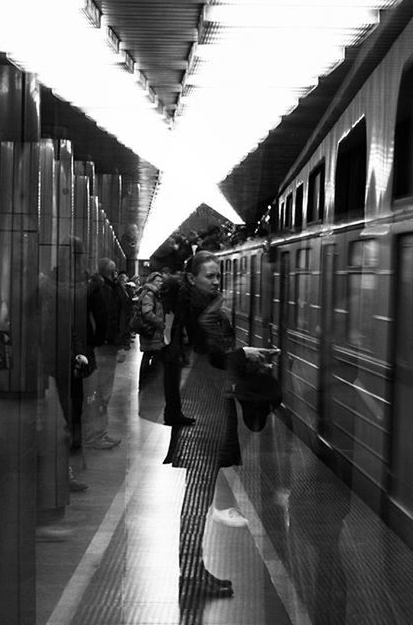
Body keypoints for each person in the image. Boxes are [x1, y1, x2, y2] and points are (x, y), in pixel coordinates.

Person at [165, 250, 280, 608]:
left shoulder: (200, 307)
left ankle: (193, 570)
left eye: (218, 276)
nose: (216, 281)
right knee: (198, 496)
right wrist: (247, 355)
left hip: (203, 403)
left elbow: (218, 352)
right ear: (192, 278)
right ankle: (191, 573)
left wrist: (247, 352)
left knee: (198, 495)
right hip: (203, 408)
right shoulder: (200, 311)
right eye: (209, 276)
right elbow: (213, 356)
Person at [82, 258, 123, 449]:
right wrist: (103, 339)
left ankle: (99, 433)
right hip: (104, 347)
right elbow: (105, 317)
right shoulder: (101, 288)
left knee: (100, 392)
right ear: (111, 272)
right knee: (101, 392)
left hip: (103, 345)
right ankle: (95, 435)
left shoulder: (98, 286)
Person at [137, 271, 166, 382]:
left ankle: (145, 382)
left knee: (149, 355)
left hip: (152, 331)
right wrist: (159, 322)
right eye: (157, 281)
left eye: (161, 281)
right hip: (151, 330)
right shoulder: (150, 294)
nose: (160, 283)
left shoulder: (154, 293)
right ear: (151, 281)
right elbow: (147, 312)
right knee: (151, 355)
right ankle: (147, 383)